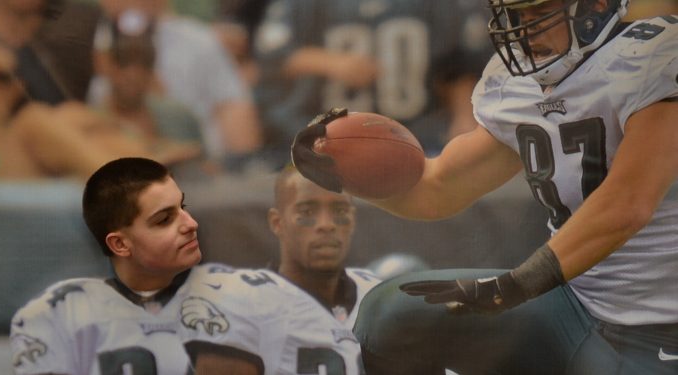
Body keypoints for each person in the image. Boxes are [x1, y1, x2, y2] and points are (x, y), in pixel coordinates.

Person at [291, 0, 678, 373]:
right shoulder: (522, 84)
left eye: (542, 11)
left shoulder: (657, 55)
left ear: (597, 5)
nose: (526, 28)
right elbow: (437, 187)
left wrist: (515, 284)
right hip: (576, 305)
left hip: (662, 325)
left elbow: (627, 203)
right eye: (517, 13)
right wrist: (340, 173)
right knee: (391, 314)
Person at [9, 157, 267, 374]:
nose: (191, 223)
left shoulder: (236, 306)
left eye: (183, 207)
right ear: (120, 244)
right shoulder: (59, 321)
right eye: (164, 219)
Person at [253, 0, 493, 168]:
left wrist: (464, 118)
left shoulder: (439, 5)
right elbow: (271, 54)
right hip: (323, 138)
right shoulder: (305, 5)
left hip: (418, 133)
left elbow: (459, 65)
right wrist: (330, 62)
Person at [193, 165, 381, 374]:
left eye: (340, 211)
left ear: (353, 220)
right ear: (277, 222)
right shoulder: (243, 304)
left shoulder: (375, 293)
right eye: (307, 212)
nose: (326, 225)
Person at [0, 39, 197, 180]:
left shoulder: (38, 123)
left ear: (18, 86)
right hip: (12, 228)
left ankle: (152, 158)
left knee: (69, 115)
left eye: (2, 78)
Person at [92, 0, 263, 171]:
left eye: (143, 63)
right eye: (123, 63)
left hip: (199, 165)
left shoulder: (199, 41)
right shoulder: (90, 42)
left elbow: (234, 109)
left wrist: (242, 167)